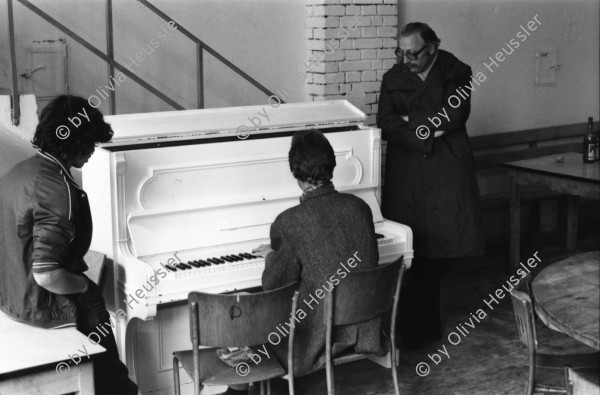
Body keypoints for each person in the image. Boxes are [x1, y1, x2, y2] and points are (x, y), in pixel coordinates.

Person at [220, 130, 385, 395]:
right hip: (362, 328)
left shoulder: (289, 221)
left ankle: (239, 390)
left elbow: (275, 285)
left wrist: (272, 257)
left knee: (247, 308)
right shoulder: (360, 207)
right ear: (331, 164)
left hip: (318, 337)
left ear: (295, 173)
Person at [0, 95, 138, 394]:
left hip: (14, 305)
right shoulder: (55, 188)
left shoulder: (19, 173)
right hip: (52, 311)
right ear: (75, 141)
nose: (91, 152)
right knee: (116, 387)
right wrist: (86, 288)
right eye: (89, 144)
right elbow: (47, 273)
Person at [377, 22, 485, 349]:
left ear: (433, 47)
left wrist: (412, 122)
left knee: (448, 241)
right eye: (401, 52)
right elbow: (387, 124)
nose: (405, 59)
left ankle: (410, 325)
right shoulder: (393, 78)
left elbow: (454, 118)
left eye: (412, 53)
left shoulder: (457, 71)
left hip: (446, 169)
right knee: (412, 243)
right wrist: (429, 128)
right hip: (407, 172)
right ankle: (421, 328)